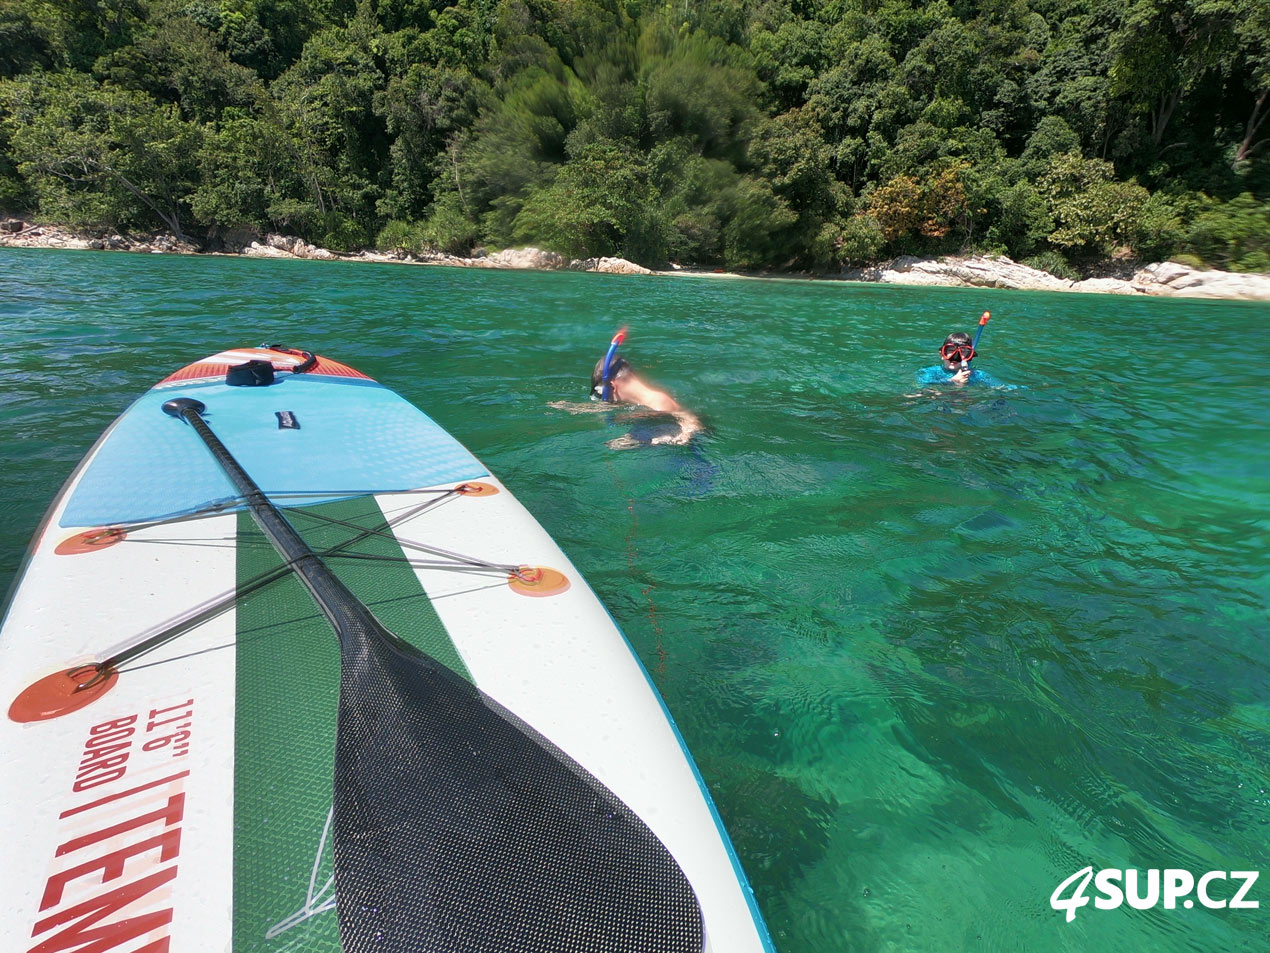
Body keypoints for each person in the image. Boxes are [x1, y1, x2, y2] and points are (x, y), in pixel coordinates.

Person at [591, 352, 703, 447]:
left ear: (612, 387)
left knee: (614, 446)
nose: (607, 400)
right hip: (654, 432)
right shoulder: (639, 402)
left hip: (691, 453)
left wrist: (685, 434)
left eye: (602, 394)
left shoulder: (659, 402)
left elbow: (690, 419)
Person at [915, 319, 1008, 388]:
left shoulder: (977, 375)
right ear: (942, 354)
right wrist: (952, 381)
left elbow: (1003, 387)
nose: (955, 356)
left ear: (970, 356)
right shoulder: (930, 372)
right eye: (950, 350)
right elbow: (921, 390)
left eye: (963, 351)